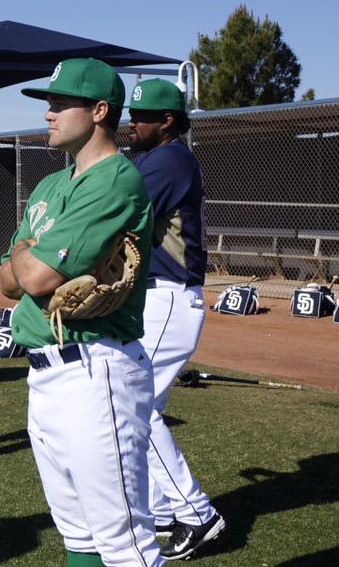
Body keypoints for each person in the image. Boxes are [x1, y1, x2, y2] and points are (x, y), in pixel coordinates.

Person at [0, 58, 160, 565]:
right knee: (78, 538)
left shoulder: (116, 180)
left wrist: (29, 254)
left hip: (97, 372)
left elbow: (35, 277)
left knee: (125, 544)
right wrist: (30, 258)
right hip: (45, 375)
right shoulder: (50, 186)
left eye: (59, 103)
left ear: (98, 110)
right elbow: (8, 280)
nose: (48, 112)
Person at [127, 78, 224, 560]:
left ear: (167, 121)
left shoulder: (169, 159)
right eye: (131, 114)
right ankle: (165, 508)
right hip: (157, 299)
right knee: (140, 410)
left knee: (136, 410)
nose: (132, 122)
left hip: (169, 299)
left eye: (142, 116)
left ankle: (197, 513)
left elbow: (120, 208)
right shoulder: (150, 157)